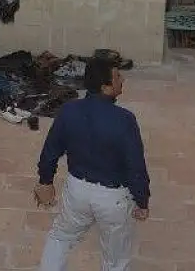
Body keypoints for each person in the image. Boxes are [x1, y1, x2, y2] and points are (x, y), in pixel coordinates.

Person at [34, 57, 150, 271]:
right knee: (115, 260)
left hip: (77, 191)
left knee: (60, 237)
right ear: (105, 87)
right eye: (117, 76)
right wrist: (142, 200)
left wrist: (45, 181)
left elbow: (50, 150)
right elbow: (135, 166)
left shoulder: (69, 110)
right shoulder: (124, 119)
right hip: (113, 199)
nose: (122, 79)